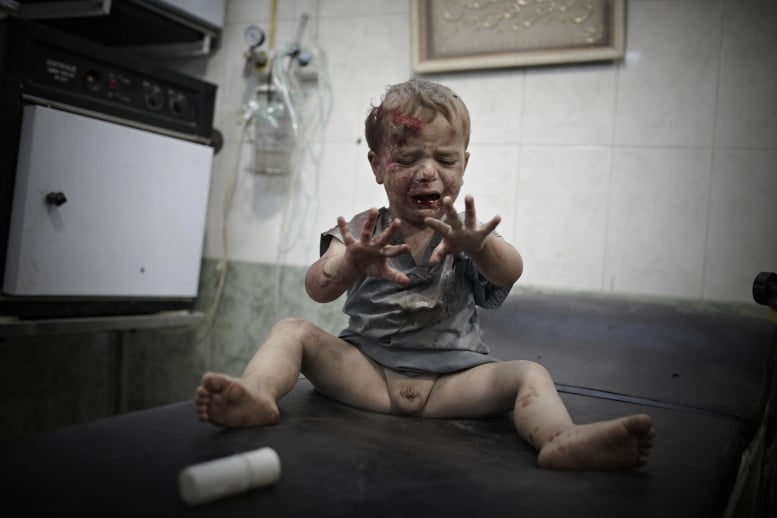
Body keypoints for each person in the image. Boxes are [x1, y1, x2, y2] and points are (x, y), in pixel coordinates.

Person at [195, 79, 655, 471]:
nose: (428, 173)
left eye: (446, 160)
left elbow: (510, 271)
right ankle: (256, 394)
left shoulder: (465, 234)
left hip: (453, 383)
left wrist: (480, 247)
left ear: (464, 165)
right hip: (367, 376)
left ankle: (559, 437)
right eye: (408, 158)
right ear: (377, 165)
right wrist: (350, 263)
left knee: (529, 374)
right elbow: (317, 287)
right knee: (292, 330)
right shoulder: (362, 231)